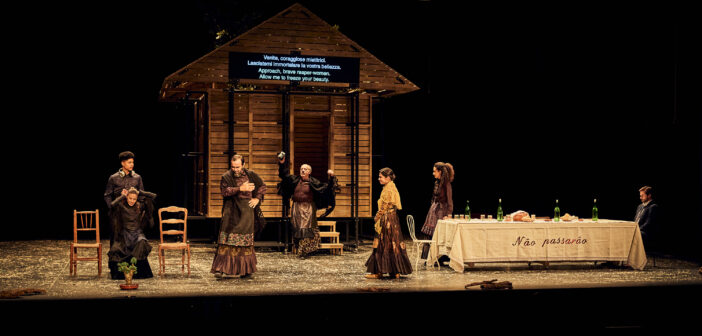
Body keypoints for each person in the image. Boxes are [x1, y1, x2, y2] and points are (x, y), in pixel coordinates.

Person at [211, 154, 266, 278]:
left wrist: (257, 198)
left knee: (244, 241)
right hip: (231, 211)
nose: (235, 169)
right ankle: (222, 268)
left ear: (243, 165)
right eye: (233, 167)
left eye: (237, 167)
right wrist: (240, 188)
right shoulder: (226, 176)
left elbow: (262, 186)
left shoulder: (251, 175)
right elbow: (224, 192)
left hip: (246, 212)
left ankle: (245, 270)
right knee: (227, 239)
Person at [277, 152, 337, 259]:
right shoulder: (295, 180)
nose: (303, 170)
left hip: (308, 208)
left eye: (305, 169)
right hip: (296, 207)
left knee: (306, 228)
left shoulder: (314, 182)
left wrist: (331, 177)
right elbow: (284, 176)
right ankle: (300, 248)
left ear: (309, 172)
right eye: (301, 169)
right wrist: (282, 163)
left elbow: (327, 189)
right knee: (297, 227)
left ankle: (303, 251)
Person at [365, 168, 412, 278]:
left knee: (383, 243)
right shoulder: (391, 186)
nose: (379, 179)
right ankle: (395, 271)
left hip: (387, 219)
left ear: (388, 178)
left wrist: (377, 217)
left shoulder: (388, 189)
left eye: (381, 177)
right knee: (393, 243)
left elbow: (384, 206)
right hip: (392, 218)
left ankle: (379, 272)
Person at [107, 187, 157, 279]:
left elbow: (153, 196)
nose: (132, 201)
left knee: (142, 242)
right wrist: (123, 196)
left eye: (134, 199)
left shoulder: (139, 206)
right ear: (127, 197)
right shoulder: (122, 206)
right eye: (130, 198)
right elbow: (112, 204)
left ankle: (136, 271)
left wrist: (140, 192)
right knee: (116, 248)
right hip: (125, 233)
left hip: (137, 233)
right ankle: (122, 273)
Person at [104, 151, 145, 246]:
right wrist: (112, 208)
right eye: (129, 162)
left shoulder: (137, 177)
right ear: (123, 163)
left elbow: (142, 196)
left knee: (133, 239)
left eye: (132, 162)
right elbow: (107, 195)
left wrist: (139, 208)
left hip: (132, 214)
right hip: (117, 214)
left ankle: (133, 261)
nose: (132, 165)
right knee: (117, 239)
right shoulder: (113, 178)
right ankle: (115, 261)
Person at [420, 162, 454, 259]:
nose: (433, 173)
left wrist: (449, 214)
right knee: (430, 234)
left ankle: (439, 258)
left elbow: (449, 200)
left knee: (438, 234)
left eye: (435, 171)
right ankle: (430, 257)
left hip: (441, 211)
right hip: (434, 210)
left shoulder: (446, 184)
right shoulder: (437, 182)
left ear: (440, 172)